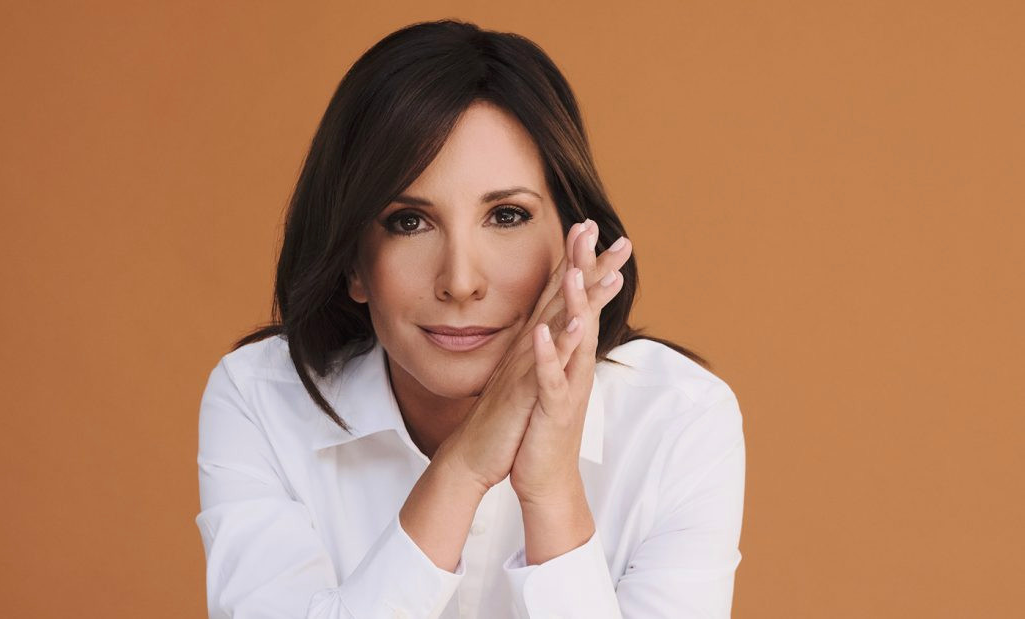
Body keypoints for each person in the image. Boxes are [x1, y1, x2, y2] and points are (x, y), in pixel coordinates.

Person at [194, 19, 745, 619]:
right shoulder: (261, 400)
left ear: (572, 240)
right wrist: (464, 467)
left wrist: (552, 493)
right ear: (353, 262)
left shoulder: (679, 418)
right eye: (409, 222)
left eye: (506, 215)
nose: (460, 281)